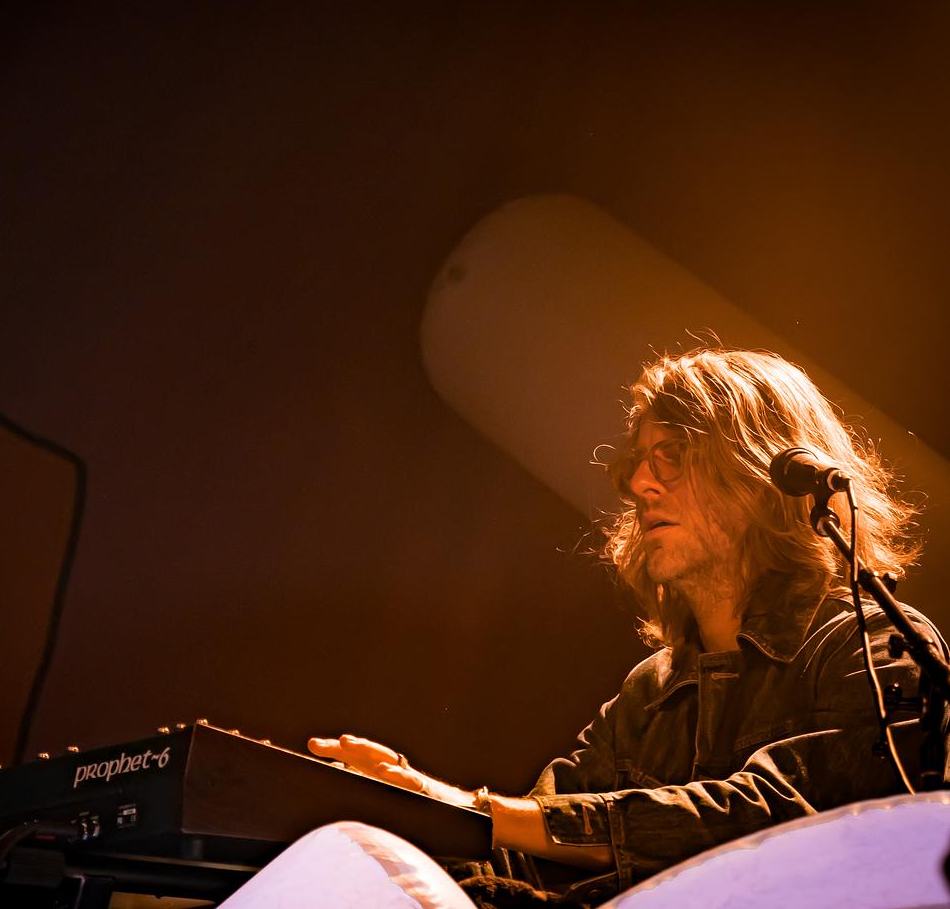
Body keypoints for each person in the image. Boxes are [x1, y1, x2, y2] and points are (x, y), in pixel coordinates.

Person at [309, 347, 947, 906]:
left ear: (761, 474)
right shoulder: (647, 695)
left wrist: (471, 807)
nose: (640, 483)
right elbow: (531, 842)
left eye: (672, 456)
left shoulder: (871, 648)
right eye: (639, 462)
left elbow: (777, 815)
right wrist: (401, 807)